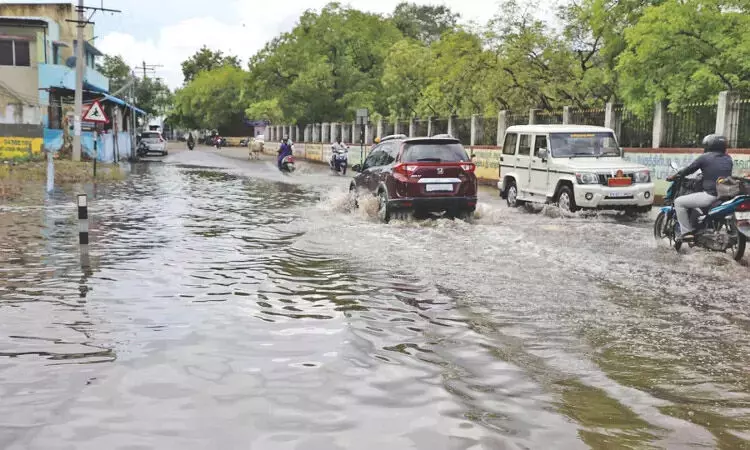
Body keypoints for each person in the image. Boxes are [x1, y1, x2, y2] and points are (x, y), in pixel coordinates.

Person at [667, 134, 733, 241]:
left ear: (709, 146)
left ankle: (686, 232)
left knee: (679, 202)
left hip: (711, 195)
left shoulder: (705, 157)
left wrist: (674, 176)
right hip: (725, 195)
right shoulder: (728, 158)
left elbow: (688, 170)